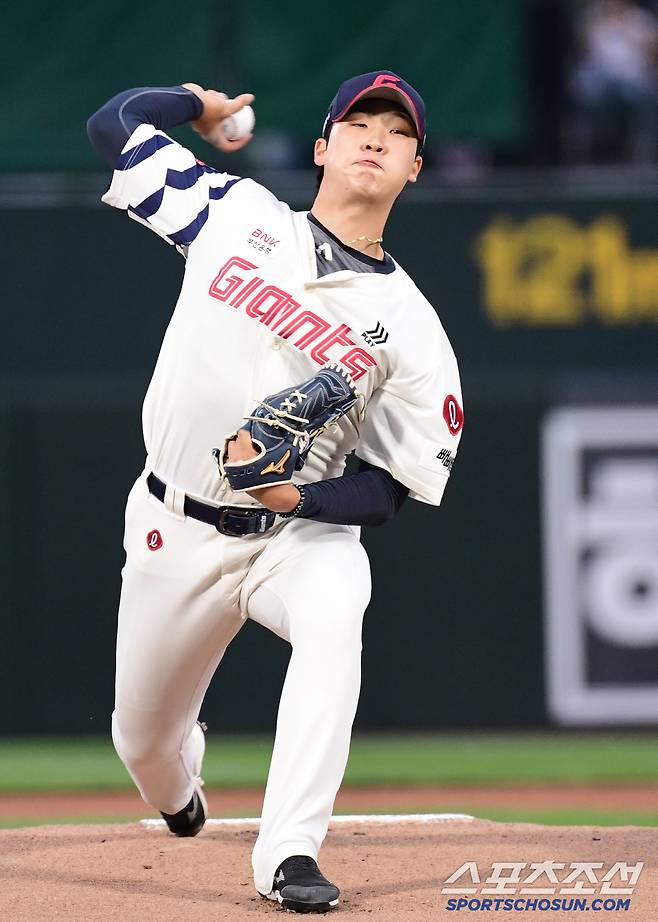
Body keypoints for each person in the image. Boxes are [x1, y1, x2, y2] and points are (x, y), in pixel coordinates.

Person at [86, 70, 463, 913]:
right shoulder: (237, 214)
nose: (376, 136)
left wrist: (305, 505)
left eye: (396, 132)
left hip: (296, 536)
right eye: (358, 122)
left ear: (414, 168)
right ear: (323, 148)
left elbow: (392, 489)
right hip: (171, 522)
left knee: (338, 610)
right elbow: (113, 125)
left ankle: (288, 852)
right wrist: (199, 107)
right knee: (142, 743)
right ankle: (180, 787)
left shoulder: (412, 328)